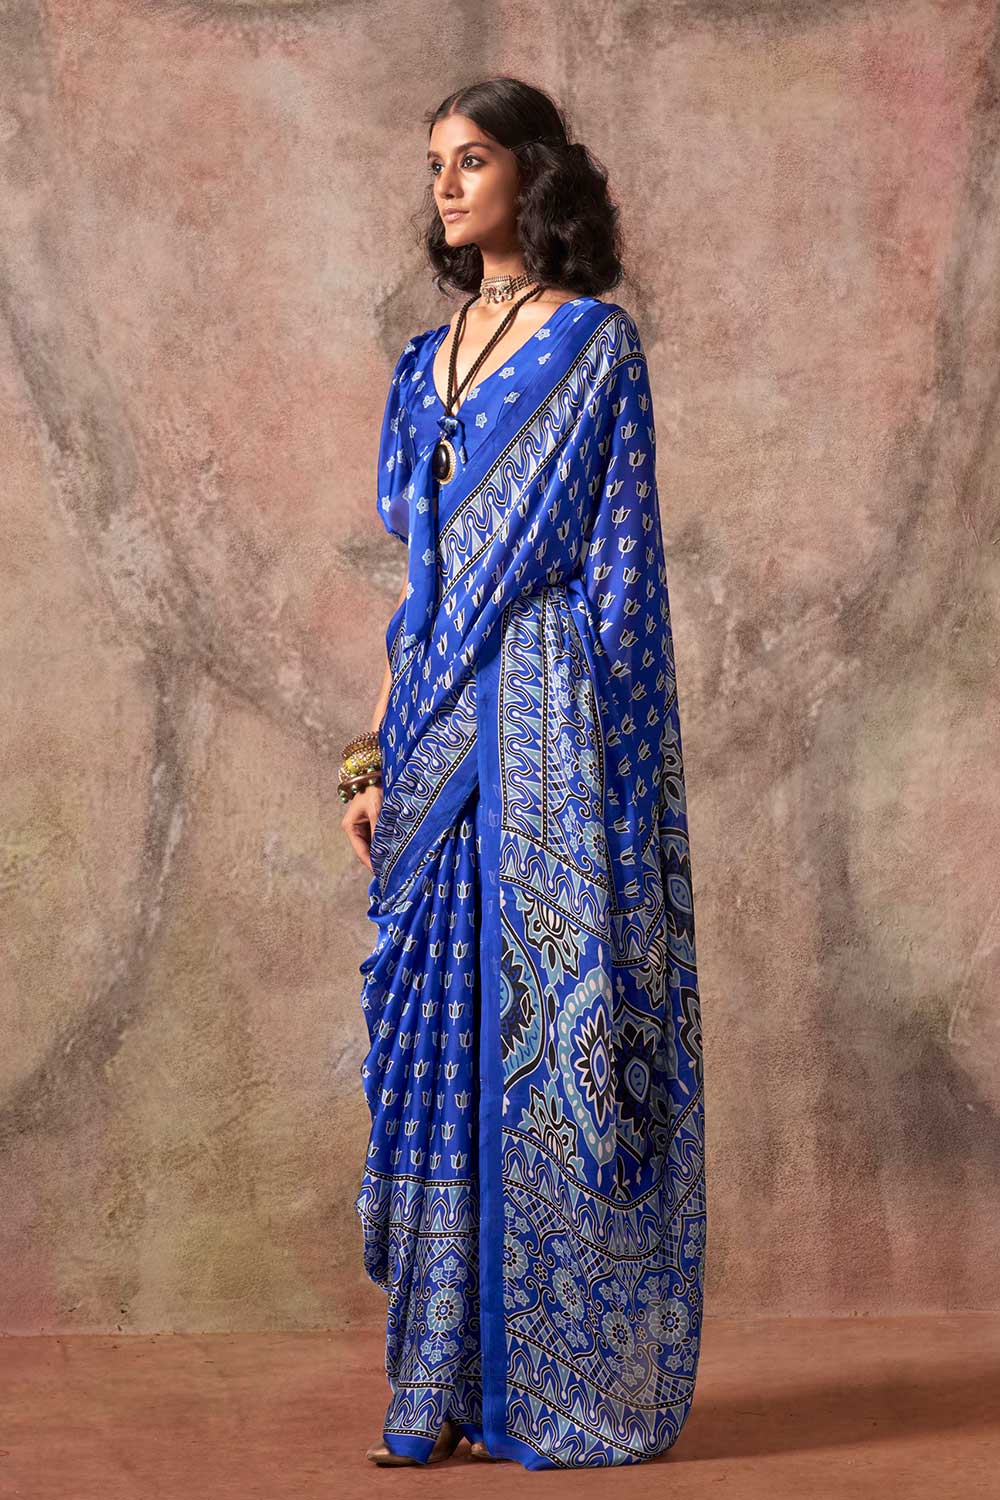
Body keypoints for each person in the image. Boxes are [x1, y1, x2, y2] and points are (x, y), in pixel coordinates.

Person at [340, 75, 706, 1470]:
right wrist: (369, 760)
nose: (445, 184)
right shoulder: (419, 366)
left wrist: (611, 785)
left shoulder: (595, 349)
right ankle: (433, 1380)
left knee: (536, 1036)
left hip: (549, 722)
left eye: (472, 158)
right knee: (438, 1037)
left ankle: (541, 1382)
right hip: (434, 723)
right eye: (435, 162)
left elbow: (621, 574)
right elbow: (420, 592)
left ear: (531, 175)